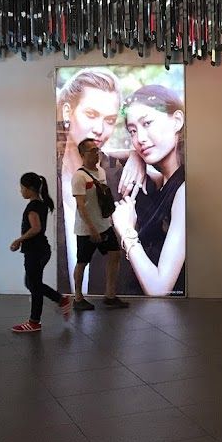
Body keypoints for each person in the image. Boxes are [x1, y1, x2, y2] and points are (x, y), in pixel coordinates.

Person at [55, 69, 144, 294]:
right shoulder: (48, 176)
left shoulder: (119, 179)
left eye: (110, 120)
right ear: (68, 111)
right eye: (91, 114)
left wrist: (138, 156)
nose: (99, 130)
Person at [112, 85, 187, 296]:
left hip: (174, 319)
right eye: (133, 131)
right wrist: (135, 156)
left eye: (147, 123)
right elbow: (99, 151)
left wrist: (126, 231)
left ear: (177, 121)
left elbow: (159, 288)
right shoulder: (159, 181)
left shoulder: (183, 191)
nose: (140, 139)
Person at [10, 173, 71, 332]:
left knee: (34, 285)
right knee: (31, 283)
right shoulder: (42, 204)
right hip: (41, 250)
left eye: (22, 188)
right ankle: (60, 299)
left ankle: (34, 321)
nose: (21, 191)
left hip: (35, 250)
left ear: (30, 189)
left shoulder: (33, 207)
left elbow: (35, 228)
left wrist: (19, 240)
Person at [71, 138, 127, 310]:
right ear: (82, 155)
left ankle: (110, 295)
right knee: (82, 262)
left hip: (104, 225)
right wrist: (91, 229)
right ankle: (78, 298)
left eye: (97, 150)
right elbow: (81, 205)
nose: (96, 153)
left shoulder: (101, 172)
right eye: (92, 151)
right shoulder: (79, 177)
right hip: (87, 229)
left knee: (115, 254)